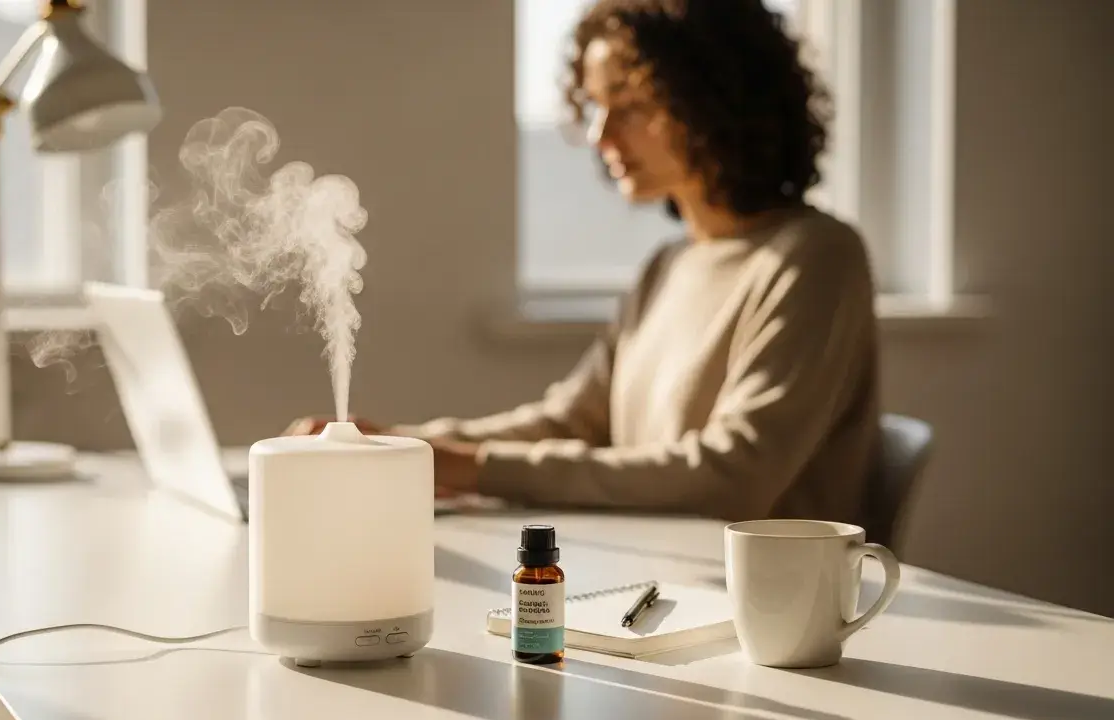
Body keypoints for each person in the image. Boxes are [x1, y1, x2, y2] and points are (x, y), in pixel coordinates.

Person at [287, 0, 880, 526]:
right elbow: (572, 421)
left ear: (719, 102)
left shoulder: (814, 257)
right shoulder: (668, 267)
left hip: (765, 620)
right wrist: (405, 445)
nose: (600, 134)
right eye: (596, 106)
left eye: (632, 105)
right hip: (659, 580)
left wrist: (471, 467)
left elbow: (733, 477)